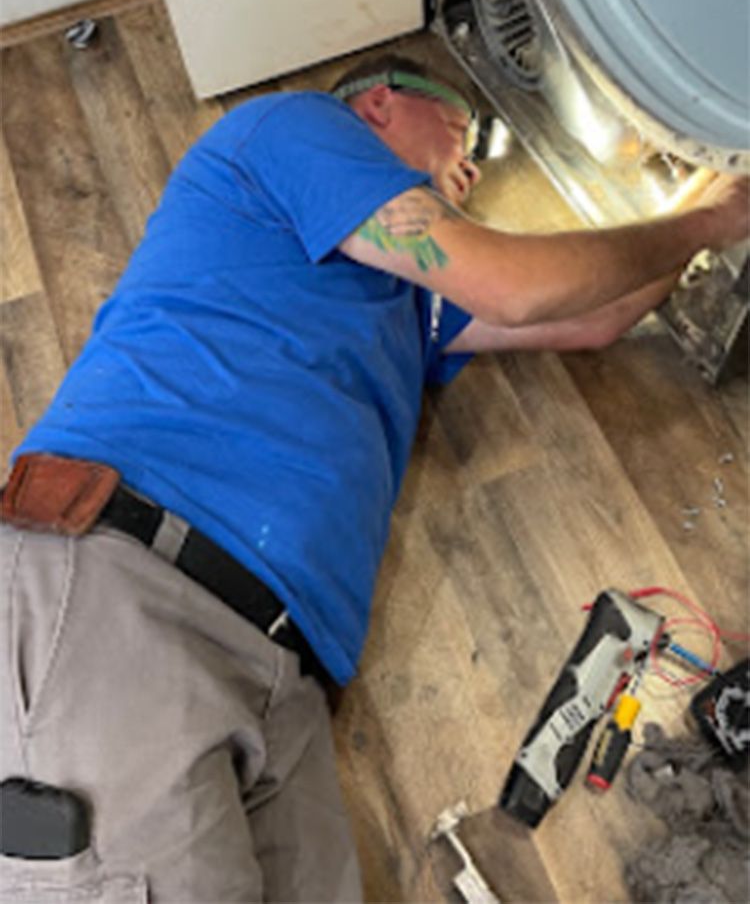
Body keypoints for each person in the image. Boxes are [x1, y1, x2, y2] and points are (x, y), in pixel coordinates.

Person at [1, 54, 747, 902]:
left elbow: (595, 317)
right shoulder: (291, 131)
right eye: (463, 135)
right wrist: (710, 225)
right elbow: (509, 283)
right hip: (130, 583)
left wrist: (711, 204)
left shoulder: (412, 303)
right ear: (383, 103)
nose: (472, 167)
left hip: (283, 683)